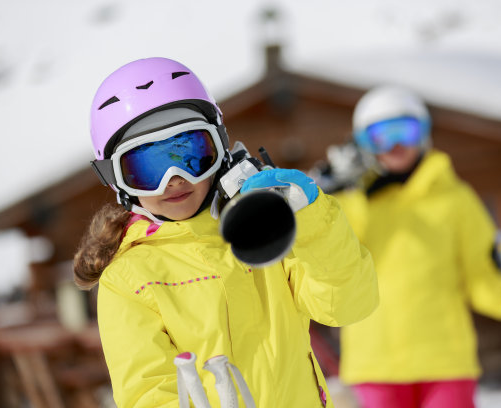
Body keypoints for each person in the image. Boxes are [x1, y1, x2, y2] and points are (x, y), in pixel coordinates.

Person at [73, 57, 378, 408]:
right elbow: (147, 394)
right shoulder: (129, 277)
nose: (173, 179)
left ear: (219, 147)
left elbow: (348, 305)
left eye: (189, 154)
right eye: (146, 167)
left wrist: (313, 220)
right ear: (116, 179)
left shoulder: (265, 230)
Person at [317, 86, 501, 408]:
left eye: (405, 131)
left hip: (445, 363)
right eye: (381, 136)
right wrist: (330, 191)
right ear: (361, 143)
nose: (396, 146)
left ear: (424, 133)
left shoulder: (455, 198)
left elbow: (480, 273)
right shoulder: (346, 204)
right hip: (375, 364)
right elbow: (328, 261)